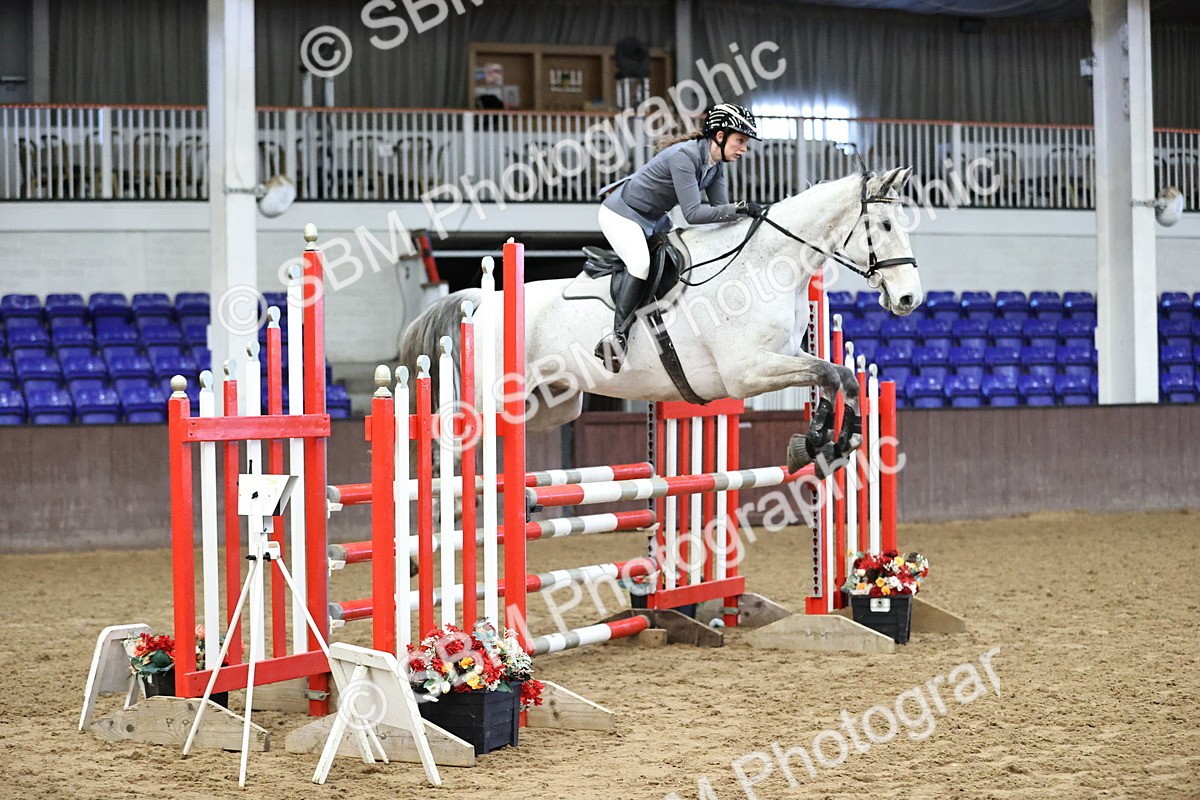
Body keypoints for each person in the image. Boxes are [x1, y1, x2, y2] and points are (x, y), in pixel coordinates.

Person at [594, 103, 766, 371]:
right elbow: (694, 214)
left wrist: (746, 216)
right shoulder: (684, 156)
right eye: (740, 140)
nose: (744, 148)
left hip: (654, 217)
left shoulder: (715, 166)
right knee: (640, 264)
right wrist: (739, 208)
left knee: (685, 253)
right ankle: (617, 337)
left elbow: (722, 213)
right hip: (622, 214)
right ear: (720, 136)